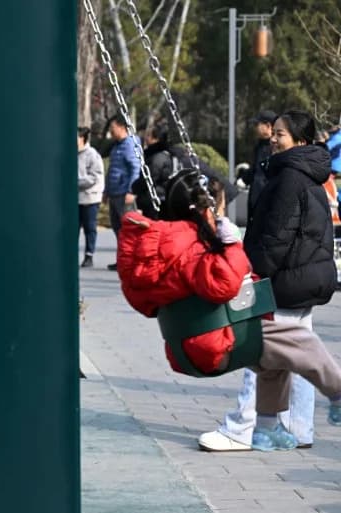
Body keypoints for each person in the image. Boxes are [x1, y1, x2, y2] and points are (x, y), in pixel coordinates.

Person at [118, 168, 341, 451]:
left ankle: (266, 429)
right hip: (216, 343)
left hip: (186, 347)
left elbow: (144, 301)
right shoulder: (188, 245)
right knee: (302, 340)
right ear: (206, 209)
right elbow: (223, 285)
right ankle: (338, 394)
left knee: (275, 360)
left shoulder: (160, 244)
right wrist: (233, 244)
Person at [197, 109, 337, 452]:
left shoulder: (289, 176)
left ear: (300, 141)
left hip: (285, 280)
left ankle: (241, 428)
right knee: (296, 351)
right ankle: (296, 428)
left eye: (281, 134)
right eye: (273, 132)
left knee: (259, 350)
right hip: (305, 278)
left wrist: (249, 272)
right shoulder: (308, 173)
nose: (273, 138)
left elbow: (276, 237)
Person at [103, 114, 141, 270]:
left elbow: (135, 169)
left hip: (124, 194)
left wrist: (132, 190)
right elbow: (113, 169)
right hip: (114, 193)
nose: (111, 132)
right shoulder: (117, 145)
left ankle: (132, 261)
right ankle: (122, 260)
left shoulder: (130, 145)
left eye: (113, 128)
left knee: (128, 229)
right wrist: (106, 191)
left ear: (121, 127)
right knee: (117, 228)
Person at [238, 109, 276, 219]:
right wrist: (244, 179)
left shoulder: (274, 147)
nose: (255, 128)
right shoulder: (260, 146)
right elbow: (256, 168)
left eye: (257, 124)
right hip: (256, 198)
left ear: (268, 126)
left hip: (266, 200)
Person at [77, 126, 104, 267]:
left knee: (89, 228)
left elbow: (94, 177)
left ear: (83, 138)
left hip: (89, 198)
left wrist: (75, 183)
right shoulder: (71, 153)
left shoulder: (92, 155)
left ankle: (89, 255)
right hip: (75, 199)